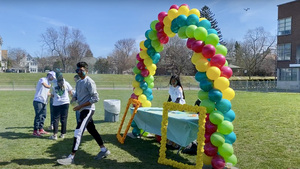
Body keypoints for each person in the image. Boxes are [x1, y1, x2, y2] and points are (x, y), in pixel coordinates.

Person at [57, 62, 110, 165]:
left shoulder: (90, 82)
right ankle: (104, 150)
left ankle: (71, 157)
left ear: (87, 71)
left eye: (81, 70)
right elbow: (77, 93)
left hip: (88, 109)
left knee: (78, 131)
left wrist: (80, 106)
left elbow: (95, 98)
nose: (79, 72)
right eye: (78, 70)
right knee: (92, 130)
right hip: (82, 109)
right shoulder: (79, 82)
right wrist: (74, 97)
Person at [49, 72, 73, 140]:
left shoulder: (54, 85)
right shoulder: (66, 83)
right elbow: (70, 92)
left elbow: (53, 95)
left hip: (56, 103)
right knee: (64, 119)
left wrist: (50, 94)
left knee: (56, 119)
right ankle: (63, 134)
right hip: (65, 103)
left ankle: (55, 135)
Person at [32, 71, 56, 137]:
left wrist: (54, 95)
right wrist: (50, 86)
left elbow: (48, 93)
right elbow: (45, 85)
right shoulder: (43, 79)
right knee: (38, 115)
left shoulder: (48, 82)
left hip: (44, 101)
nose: (53, 78)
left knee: (43, 115)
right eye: (52, 77)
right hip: (38, 100)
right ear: (49, 75)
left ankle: (40, 129)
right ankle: (35, 131)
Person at [165, 74, 186, 149]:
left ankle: (178, 144)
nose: (173, 82)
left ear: (177, 81)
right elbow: (170, 97)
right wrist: (167, 104)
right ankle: (170, 142)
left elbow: (178, 99)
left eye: (175, 81)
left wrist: (173, 106)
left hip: (180, 108)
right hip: (174, 108)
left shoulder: (179, 88)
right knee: (172, 124)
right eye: (172, 80)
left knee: (178, 125)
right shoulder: (171, 88)